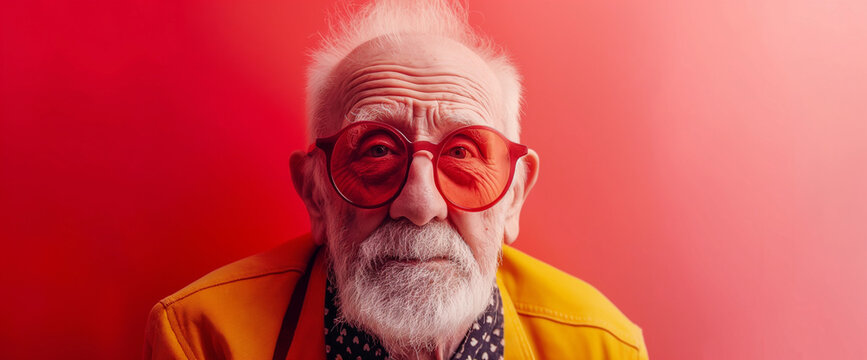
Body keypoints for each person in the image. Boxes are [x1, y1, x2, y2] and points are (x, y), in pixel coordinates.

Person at [144, 1, 648, 359]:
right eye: (378, 151)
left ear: (513, 196)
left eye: (461, 153)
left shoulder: (600, 348)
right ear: (316, 194)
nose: (420, 203)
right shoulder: (205, 340)